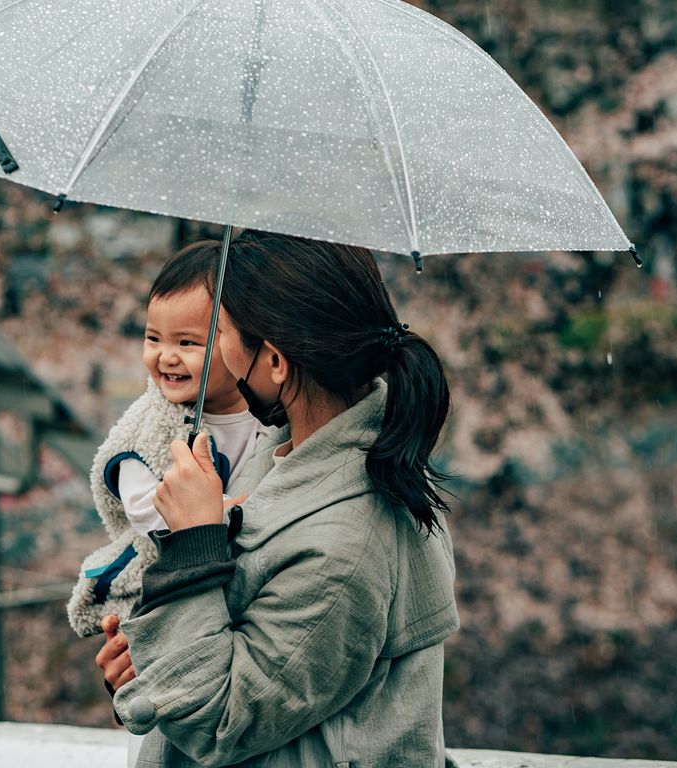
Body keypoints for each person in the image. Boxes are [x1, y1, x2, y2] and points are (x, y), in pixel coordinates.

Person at [95, 231, 461, 767]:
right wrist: (146, 665)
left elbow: (220, 721)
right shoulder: (292, 456)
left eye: (223, 332)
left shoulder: (344, 543)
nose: (218, 350)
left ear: (274, 362)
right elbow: (222, 657)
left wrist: (195, 544)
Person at [68, 243, 280, 638]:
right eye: (153, 338)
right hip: (173, 577)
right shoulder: (150, 430)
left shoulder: (269, 412)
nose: (166, 357)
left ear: (239, 341)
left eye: (187, 343)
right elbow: (150, 515)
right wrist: (226, 511)